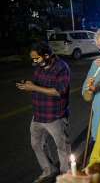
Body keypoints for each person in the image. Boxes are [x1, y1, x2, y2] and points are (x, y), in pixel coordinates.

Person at [16, 42, 71, 183]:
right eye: (32, 59)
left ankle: (65, 175)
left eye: (36, 58)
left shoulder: (61, 67)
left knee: (62, 148)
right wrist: (29, 85)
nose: (34, 62)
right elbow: (38, 85)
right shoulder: (40, 67)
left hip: (55, 116)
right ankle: (49, 170)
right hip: (38, 115)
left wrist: (34, 87)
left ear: (47, 55)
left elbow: (59, 91)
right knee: (37, 145)